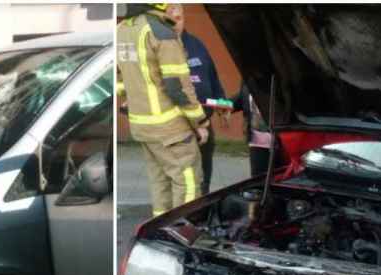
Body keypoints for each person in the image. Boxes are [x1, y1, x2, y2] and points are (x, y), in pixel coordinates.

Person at [117, 3, 209, 217]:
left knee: (160, 182)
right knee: (187, 182)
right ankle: (181, 229)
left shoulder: (122, 30)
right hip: (170, 129)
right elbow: (178, 87)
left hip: (142, 126)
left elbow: (121, 78)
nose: (174, 10)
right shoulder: (161, 32)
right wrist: (200, 122)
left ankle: (159, 228)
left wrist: (130, 97)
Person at [167, 4, 224, 196]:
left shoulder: (196, 44)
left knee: (204, 177)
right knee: (185, 180)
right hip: (178, 126)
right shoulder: (161, 46)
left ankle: (203, 204)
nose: (175, 23)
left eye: (179, 18)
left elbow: (212, 77)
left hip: (204, 122)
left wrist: (222, 103)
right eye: (170, 19)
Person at [230, 83, 288, 178]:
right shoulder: (249, 79)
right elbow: (241, 97)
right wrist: (224, 104)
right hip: (257, 142)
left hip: (283, 141)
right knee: (258, 181)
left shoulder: (282, 78)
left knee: (282, 180)